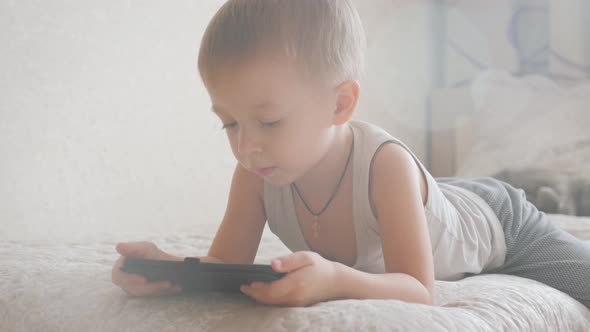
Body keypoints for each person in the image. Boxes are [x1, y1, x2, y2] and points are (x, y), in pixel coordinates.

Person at [112, 0, 590, 308]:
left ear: (339, 104)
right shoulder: (256, 172)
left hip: (499, 223)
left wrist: (337, 279)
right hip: (436, 201)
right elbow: (225, 265)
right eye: (229, 123)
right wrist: (167, 269)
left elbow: (419, 290)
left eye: (270, 121)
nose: (247, 145)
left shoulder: (386, 165)